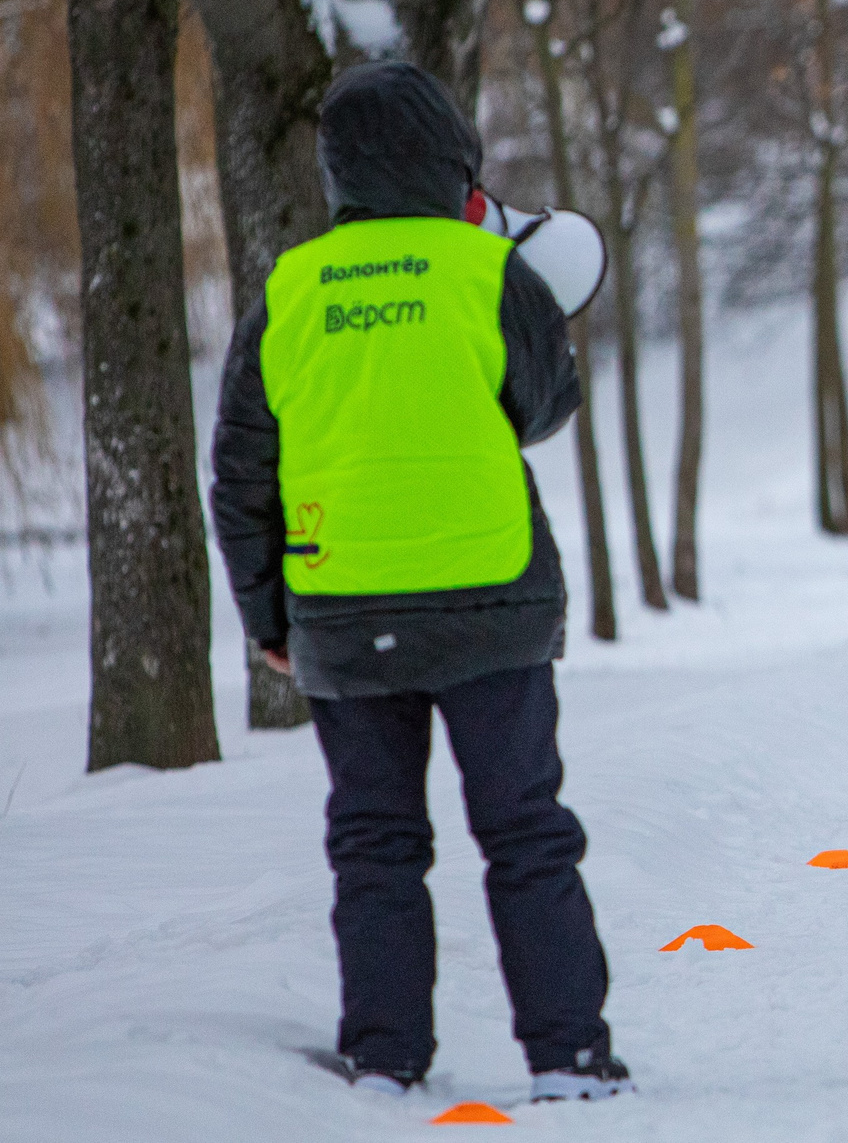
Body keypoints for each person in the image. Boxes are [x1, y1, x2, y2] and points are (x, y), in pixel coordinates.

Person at [209, 61, 628, 1103]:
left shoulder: (292, 288)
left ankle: (386, 1056)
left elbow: (241, 469)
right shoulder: (489, 273)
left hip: (342, 610)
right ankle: (568, 1055)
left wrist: (269, 615)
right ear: (453, 160)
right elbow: (544, 409)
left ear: (338, 169)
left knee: (374, 842)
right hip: (489, 597)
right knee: (526, 829)